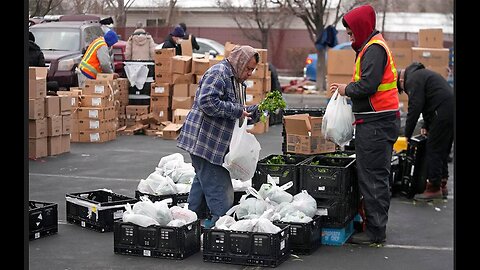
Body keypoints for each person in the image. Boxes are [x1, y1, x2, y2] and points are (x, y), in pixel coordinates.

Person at [328, 4, 400, 245]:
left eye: (351, 33)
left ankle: (376, 232)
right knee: (372, 175)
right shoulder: (372, 47)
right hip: (377, 120)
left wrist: (345, 89)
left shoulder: (374, 49)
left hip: (377, 122)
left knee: (373, 177)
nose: (350, 38)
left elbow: (368, 85)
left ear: (360, 28)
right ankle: (374, 226)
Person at [177, 45, 261, 228]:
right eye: (248, 68)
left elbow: (236, 110)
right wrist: (238, 110)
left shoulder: (237, 81)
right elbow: (207, 102)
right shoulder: (219, 73)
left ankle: (189, 226)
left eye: (252, 69)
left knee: (202, 185)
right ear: (239, 62)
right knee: (222, 196)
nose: (250, 73)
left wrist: (253, 112)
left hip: (214, 145)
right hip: (205, 144)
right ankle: (217, 230)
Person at [398, 62, 453, 201]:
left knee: (433, 148)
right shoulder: (422, 75)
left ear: (401, 80)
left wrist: (406, 136)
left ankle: (434, 187)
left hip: (442, 111)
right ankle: (442, 182)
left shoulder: (413, 79)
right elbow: (429, 101)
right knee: (443, 148)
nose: (405, 91)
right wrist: (427, 124)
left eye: (402, 89)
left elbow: (415, 108)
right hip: (448, 108)